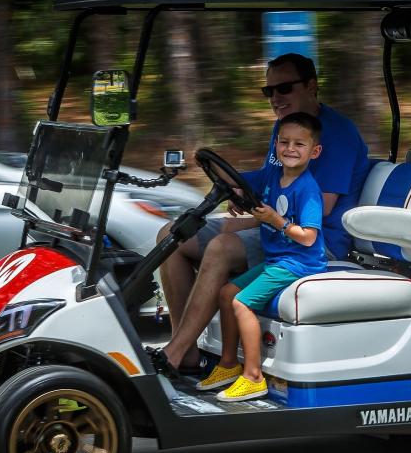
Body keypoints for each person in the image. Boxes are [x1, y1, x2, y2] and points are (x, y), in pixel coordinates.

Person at [151, 53, 370, 374]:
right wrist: (231, 181)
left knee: (222, 247)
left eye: (284, 89)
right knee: (173, 234)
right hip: (275, 228)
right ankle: (183, 350)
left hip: (314, 242)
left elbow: (319, 209)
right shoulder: (285, 129)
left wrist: (251, 212)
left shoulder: (336, 134)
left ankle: (173, 353)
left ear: (311, 86)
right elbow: (270, 177)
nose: (276, 98)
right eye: (269, 92)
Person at [194, 112, 327, 400]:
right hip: (277, 260)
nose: (290, 149)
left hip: (299, 263)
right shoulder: (271, 175)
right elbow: (238, 179)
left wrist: (276, 220)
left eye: (299, 145)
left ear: (314, 152)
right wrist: (233, 190)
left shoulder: (308, 190)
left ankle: (253, 376)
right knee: (227, 293)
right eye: (284, 142)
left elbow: (309, 237)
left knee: (241, 303)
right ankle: (228, 365)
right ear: (275, 145)